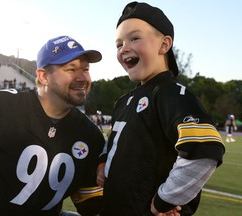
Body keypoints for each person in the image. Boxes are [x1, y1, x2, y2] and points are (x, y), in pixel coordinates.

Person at [97, 2, 225, 216]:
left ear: (164, 45)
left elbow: (204, 149)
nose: (124, 48)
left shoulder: (170, 93)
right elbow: (115, 141)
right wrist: (103, 162)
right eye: (118, 44)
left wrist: (165, 200)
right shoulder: (125, 100)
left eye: (134, 38)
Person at [0, 35, 105, 216]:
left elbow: (93, 206)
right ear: (43, 76)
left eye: (86, 69)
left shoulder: (90, 135)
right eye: (71, 69)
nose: (82, 77)